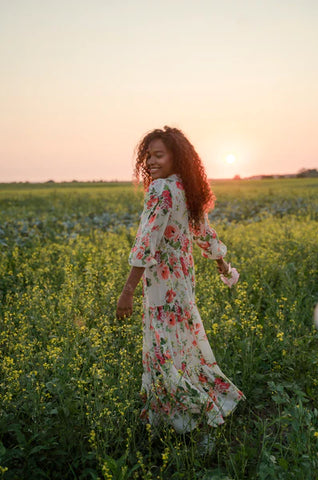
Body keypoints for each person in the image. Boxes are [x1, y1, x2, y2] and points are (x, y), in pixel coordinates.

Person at [116, 126, 244, 435]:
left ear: (177, 157)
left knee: (163, 350)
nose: (151, 162)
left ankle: (193, 419)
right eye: (148, 157)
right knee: (181, 347)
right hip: (183, 282)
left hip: (161, 284)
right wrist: (223, 265)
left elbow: (146, 242)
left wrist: (127, 291)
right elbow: (205, 234)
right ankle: (192, 410)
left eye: (158, 155)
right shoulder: (185, 188)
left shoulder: (161, 189)